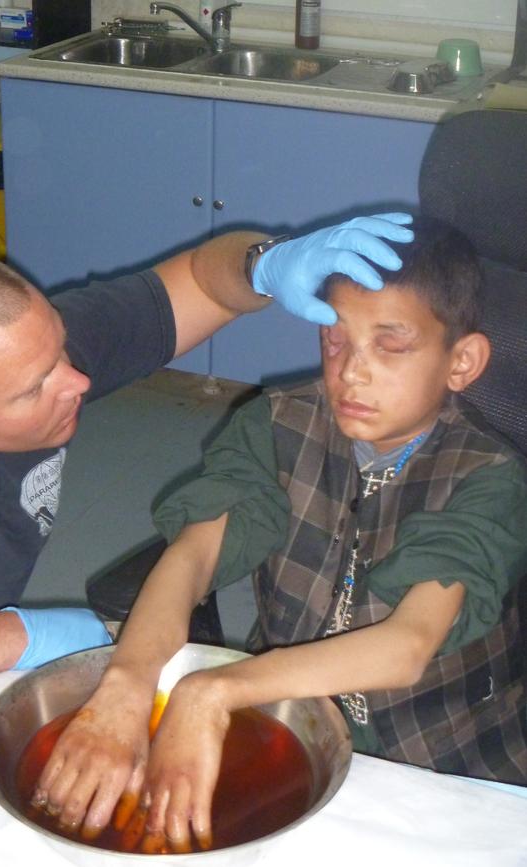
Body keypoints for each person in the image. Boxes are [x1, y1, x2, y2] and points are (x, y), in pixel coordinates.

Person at [33, 217, 527, 853]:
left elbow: (408, 644)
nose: (351, 374)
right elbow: (193, 556)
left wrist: (212, 690)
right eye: (335, 341)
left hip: (442, 751)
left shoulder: (488, 478)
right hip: (289, 713)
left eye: (390, 347)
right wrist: (128, 681)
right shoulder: (276, 425)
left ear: (461, 362)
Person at [0, 214, 415, 720]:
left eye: (61, 348)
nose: (78, 382)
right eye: (34, 388)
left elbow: (203, 282)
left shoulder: (26, 353)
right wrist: (20, 637)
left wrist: (265, 265)